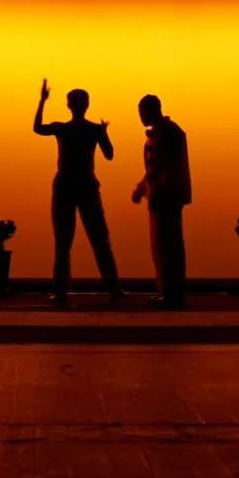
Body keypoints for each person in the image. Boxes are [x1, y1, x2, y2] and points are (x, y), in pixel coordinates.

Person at [34, 79, 123, 306]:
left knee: (69, 239)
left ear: (69, 106)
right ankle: (112, 288)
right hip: (78, 184)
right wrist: (103, 133)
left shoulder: (66, 129)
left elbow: (37, 128)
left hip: (74, 184)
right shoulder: (87, 129)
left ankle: (67, 290)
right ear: (86, 105)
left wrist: (42, 102)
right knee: (93, 237)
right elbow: (110, 154)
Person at [132, 94, 190, 308]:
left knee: (169, 246)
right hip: (158, 196)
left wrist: (159, 189)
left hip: (167, 197)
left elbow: (170, 167)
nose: (140, 117)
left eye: (142, 112)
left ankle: (173, 293)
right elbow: (153, 169)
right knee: (160, 246)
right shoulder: (157, 134)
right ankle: (166, 290)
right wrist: (142, 189)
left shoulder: (170, 133)